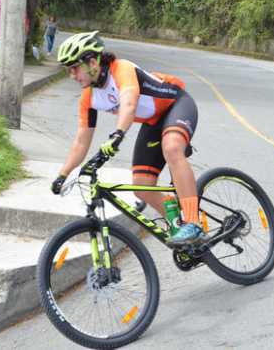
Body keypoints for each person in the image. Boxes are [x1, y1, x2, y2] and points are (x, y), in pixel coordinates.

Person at [50, 31, 204, 245]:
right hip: (153, 121)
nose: (72, 75)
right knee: (141, 186)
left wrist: (117, 135)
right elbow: (81, 141)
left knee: (172, 148)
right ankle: (176, 218)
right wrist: (63, 174)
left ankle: (193, 223)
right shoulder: (89, 97)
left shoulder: (121, 69)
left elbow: (129, 104)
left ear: (92, 62)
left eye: (74, 68)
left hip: (176, 105)